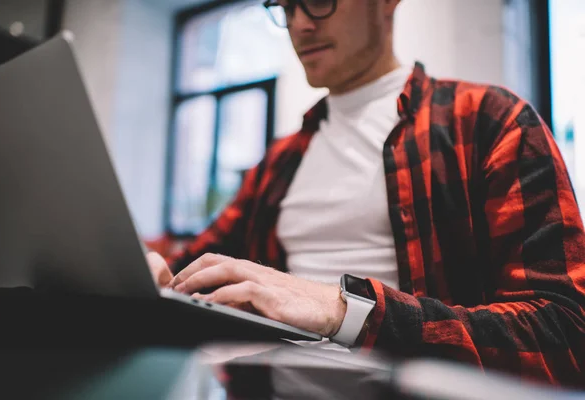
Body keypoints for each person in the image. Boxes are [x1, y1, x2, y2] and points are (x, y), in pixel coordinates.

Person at [148, 0, 585, 388]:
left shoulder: (490, 122)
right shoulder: (280, 161)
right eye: (285, 7)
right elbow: (193, 271)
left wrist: (346, 311)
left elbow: (567, 336)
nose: (300, 23)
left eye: (317, 2)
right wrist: (149, 272)